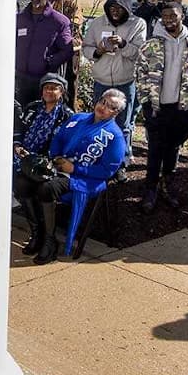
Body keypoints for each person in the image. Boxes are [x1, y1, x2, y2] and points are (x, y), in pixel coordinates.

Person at [21, 89, 128, 264]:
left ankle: (50, 241)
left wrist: (75, 169)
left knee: (47, 188)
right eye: (103, 101)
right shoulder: (77, 118)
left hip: (84, 179)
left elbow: (107, 171)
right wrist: (55, 156)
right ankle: (37, 233)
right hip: (59, 166)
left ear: (116, 113)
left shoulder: (115, 137)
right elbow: (59, 138)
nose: (103, 107)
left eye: (111, 106)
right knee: (23, 182)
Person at [136, 2, 188, 213]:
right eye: (164, 16)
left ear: (182, 16)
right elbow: (140, 74)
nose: (168, 19)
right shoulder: (151, 45)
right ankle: (150, 188)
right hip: (157, 107)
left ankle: (168, 184)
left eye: (172, 15)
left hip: (183, 108)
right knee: (155, 149)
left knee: (173, 148)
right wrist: (146, 102)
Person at [82, 0, 148, 151]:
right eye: (112, 8)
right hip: (101, 81)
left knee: (123, 124)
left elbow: (140, 53)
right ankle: (98, 154)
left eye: (119, 8)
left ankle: (121, 159)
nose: (115, 12)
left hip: (124, 82)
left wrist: (123, 44)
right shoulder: (98, 23)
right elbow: (86, 48)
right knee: (99, 120)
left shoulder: (138, 24)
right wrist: (99, 51)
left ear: (127, 8)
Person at [14, 0, 75, 109]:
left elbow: (67, 49)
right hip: (20, 78)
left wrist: (49, 62)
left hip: (43, 81)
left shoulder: (59, 22)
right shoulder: (19, 19)